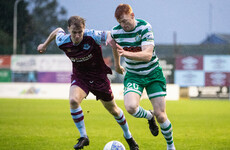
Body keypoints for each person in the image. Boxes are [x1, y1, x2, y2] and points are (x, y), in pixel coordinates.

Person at [37, 16, 139, 150]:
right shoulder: (63, 41)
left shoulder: (92, 36)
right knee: (73, 100)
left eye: (80, 32)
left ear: (84, 29)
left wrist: (118, 65)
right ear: (69, 30)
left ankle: (129, 137)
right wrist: (44, 45)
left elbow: (112, 39)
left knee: (113, 110)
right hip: (80, 77)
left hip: (99, 78)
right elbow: (57, 31)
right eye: (74, 32)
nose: (78, 35)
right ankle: (83, 136)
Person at [108, 4, 176, 150]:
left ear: (133, 16)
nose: (124, 25)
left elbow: (147, 55)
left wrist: (125, 54)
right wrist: (117, 65)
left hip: (153, 74)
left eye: (126, 21)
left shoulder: (145, 27)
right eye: (120, 23)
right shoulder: (116, 32)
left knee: (162, 116)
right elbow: (114, 46)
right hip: (133, 75)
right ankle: (149, 116)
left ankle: (170, 146)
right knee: (131, 107)